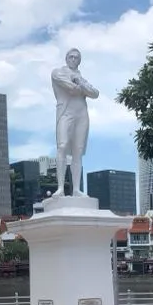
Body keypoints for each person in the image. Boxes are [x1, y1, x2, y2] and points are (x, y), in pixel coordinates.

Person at [51, 48, 99, 198]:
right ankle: (60, 188)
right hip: (65, 112)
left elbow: (95, 93)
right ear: (66, 58)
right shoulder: (57, 72)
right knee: (62, 146)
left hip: (81, 114)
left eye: (76, 58)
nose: (73, 59)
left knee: (78, 151)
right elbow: (69, 87)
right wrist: (81, 86)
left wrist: (80, 83)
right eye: (71, 57)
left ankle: (76, 189)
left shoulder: (80, 77)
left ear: (79, 61)